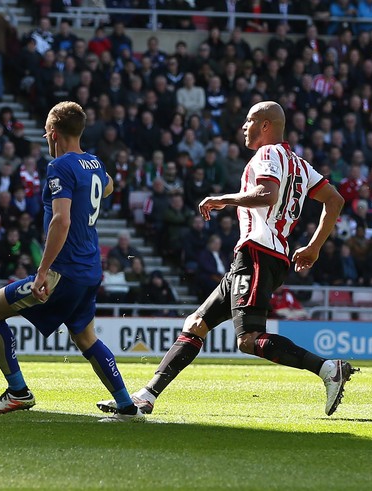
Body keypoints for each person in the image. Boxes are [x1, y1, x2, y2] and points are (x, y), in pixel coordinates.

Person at [97, 101, 354, 417]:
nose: (243, 127)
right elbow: (335, 200)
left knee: (248, 340)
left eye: (249, 121)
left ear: (265, 125)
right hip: (257, 256)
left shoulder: (268, 154)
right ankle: (147, 395)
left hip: (258, 253)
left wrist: (224, 200)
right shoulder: (300, 165)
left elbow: (267, 195)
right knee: (196, 324)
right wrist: (314, 247)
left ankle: (328, 368)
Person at [0, 101, 143, 421]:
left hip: (62, 274)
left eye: (45, 135)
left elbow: (61, 221)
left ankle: (18, 392)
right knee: (85, 337)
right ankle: (126, 404)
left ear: (53, 133)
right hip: (91, 270)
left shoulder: (60, 167)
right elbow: (107, 186)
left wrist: (41, 272)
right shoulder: (94, 162)